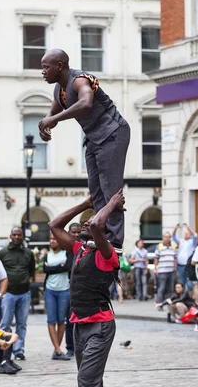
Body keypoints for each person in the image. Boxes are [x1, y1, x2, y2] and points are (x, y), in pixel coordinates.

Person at [49, 191, 122, 387]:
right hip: (81, 326)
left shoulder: (107, 254)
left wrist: (111, 204)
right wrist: (85, 203)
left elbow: (94, 227)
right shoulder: (80, 250)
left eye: (86, 230)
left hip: (101, 326)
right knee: (93, 383)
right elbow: (53, 225)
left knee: (86, 382)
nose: (81, 233)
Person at [39, 49, 130, 252]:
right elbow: (54, 112)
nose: (43, 72)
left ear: (60, 66)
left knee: (110, 188)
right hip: (93, 138)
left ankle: (115, 241)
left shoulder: (80, 80)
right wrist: (46, 125)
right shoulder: (59, 89)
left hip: (112, 132)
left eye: (46, 67)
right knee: (95, 189)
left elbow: (86, 102)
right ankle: (103, 234)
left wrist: (53, 119)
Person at [0, 227, 35, 361]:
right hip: (8, 293)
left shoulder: (28, 253)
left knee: (22, 324)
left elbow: (31, 271)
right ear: (10, 236)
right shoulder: (2, 253)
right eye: (14, 234)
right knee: (5, 323)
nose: (17, 237)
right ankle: (4, 348)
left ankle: (19, 350)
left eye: (19, 235)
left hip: (24, 293)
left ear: (23, 236)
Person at [43, 235, 73, 360]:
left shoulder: (67, 254)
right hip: (50, 290)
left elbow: (67, 267)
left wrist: (52, 268)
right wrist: (58, 267)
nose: (52, 241)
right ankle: (58, 349)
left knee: (61, 320)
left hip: (64, 290)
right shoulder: (47, 255)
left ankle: (57, 350)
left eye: (54, 239)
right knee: (51, 320)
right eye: (50, 239)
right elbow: (45, 269)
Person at [65, 222, 82, 357]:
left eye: (78, 232)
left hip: (81, 289)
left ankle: (81, 346)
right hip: (66, 289)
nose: (76, 235)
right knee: (69, 319)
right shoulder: (66, 248)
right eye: (73, 232)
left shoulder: (83, 247)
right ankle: (70, 347)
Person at [154, 233, 177, 306]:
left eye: (168, 237)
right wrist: (155, 268)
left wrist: (175, 267)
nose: (167, 239)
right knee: (162, 287)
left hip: (171, 270)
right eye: (165, 237)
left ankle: (170, 303)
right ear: (163, 238)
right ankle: (159, 302)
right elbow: (156, 258)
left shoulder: (173, 246)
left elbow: (175, 258)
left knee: (171, 288)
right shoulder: (159, 246)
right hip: (162, 270)